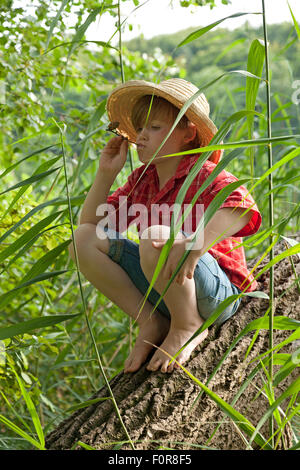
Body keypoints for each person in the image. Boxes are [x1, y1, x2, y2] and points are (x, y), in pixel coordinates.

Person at [68, 78, 262, 374]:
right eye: (140, 129)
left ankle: (188, 325)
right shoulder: (142, 181)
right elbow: (94, 227)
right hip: (166, 290)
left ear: (189, 133)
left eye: (154, 128)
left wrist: (196, 243)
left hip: (214, 292)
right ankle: (151, 321)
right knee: (82, 239)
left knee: (156, 235)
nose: (141, 136)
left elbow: (243, 209)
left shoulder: (203, 172)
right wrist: (105, 174)